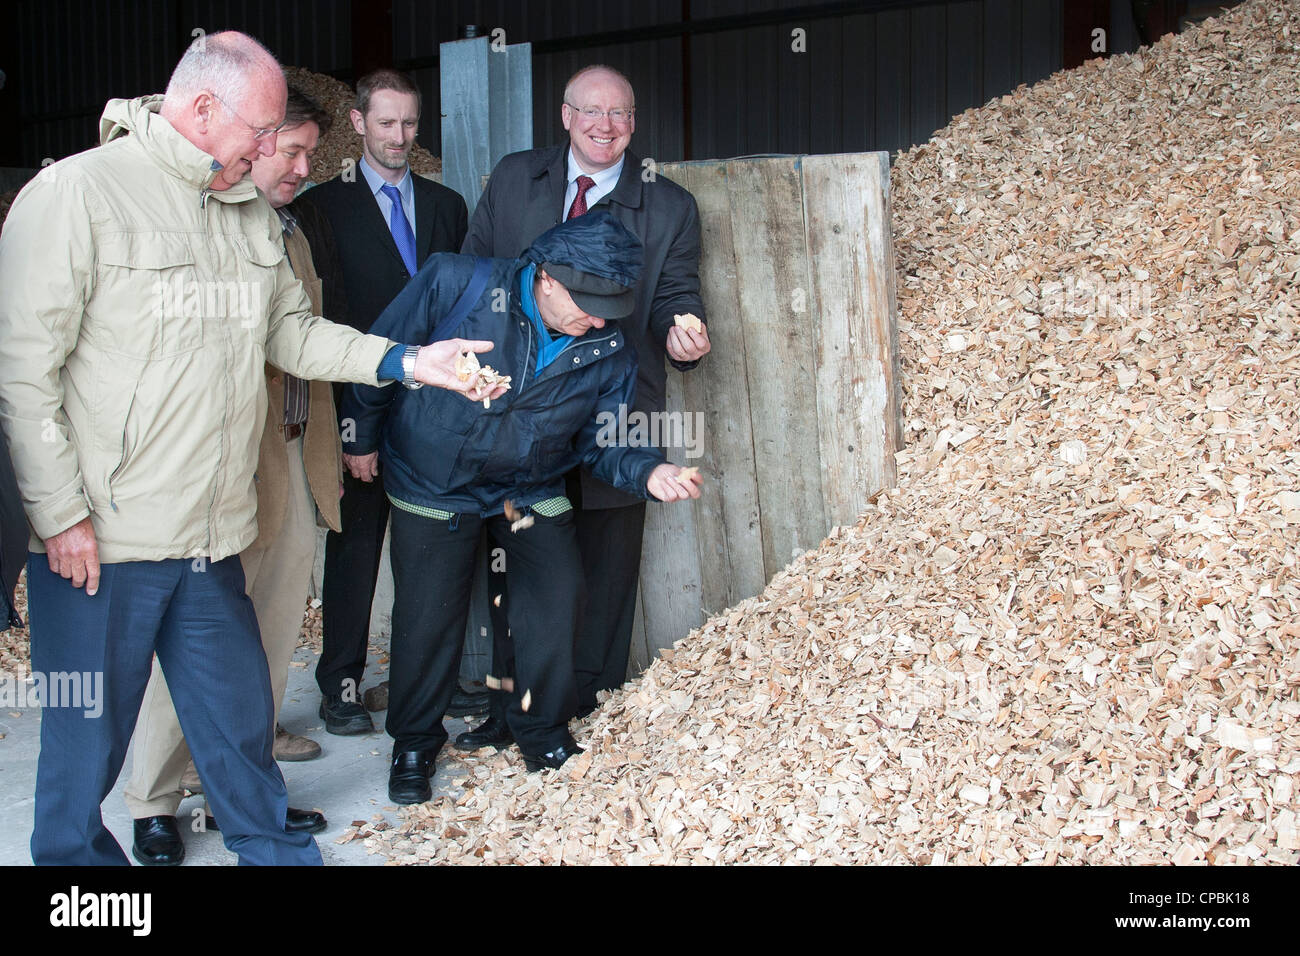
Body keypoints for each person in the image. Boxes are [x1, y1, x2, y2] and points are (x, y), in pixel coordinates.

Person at [0, 31, 504, 866]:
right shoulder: (76, 195)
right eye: (263, 132)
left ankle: (271, 853)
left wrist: (411, 362)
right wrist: (58, 516)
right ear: (203, 108)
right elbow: (23, 376)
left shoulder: (244, 212)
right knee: (84, 747)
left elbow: (293, 334)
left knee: (240, 727)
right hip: (104, 541)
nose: (273, 151)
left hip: (213, 536)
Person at [342, 211, 703, 803]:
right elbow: (380, 353)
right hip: (435, 479)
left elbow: (607, 440)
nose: (597, 320)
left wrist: (649, 470)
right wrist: (359, 434)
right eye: (588, 304)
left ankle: (542, 730)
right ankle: (414, 742)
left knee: (555, 595)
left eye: (609, 308)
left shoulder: (608, 343)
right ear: (546, 278)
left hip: (527, 483)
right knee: (428, 615)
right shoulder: (455, 283)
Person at [121, 87, 348, 865]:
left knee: (269, 640)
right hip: (221, 465)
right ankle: (153, 800)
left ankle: (239, 796)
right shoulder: (202, 222)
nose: (303, 167)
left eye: (311, 153)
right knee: (194, 643)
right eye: (292, 150)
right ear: (250, 143)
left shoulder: (292, 231)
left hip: (292, 451)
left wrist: (328, 455)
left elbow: (306, 345)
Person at [459, 65, 711, 750]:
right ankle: (512, 710)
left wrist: (681, 332)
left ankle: (587, 709)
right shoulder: (515, 178)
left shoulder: (670, 205)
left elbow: (675, 293)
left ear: (634, 123)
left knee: (604, 570)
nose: (606, 126)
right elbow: (477, 272)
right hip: (519, 412)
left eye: (620, 114)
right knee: (515, 558)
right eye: (592, 112)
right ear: (566, 116)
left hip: (616, 411)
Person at [297, 69, 471, 736]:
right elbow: (318, 320)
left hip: (435, 412)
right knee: (355, 550)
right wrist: (350, 429)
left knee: (432, 554)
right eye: (386, 122)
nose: (399, 136)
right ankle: (340, 684)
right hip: (357, 409)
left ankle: (423, 684)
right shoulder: (321, 207)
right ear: (359, 122)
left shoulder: (447, 205)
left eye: (410, 123)